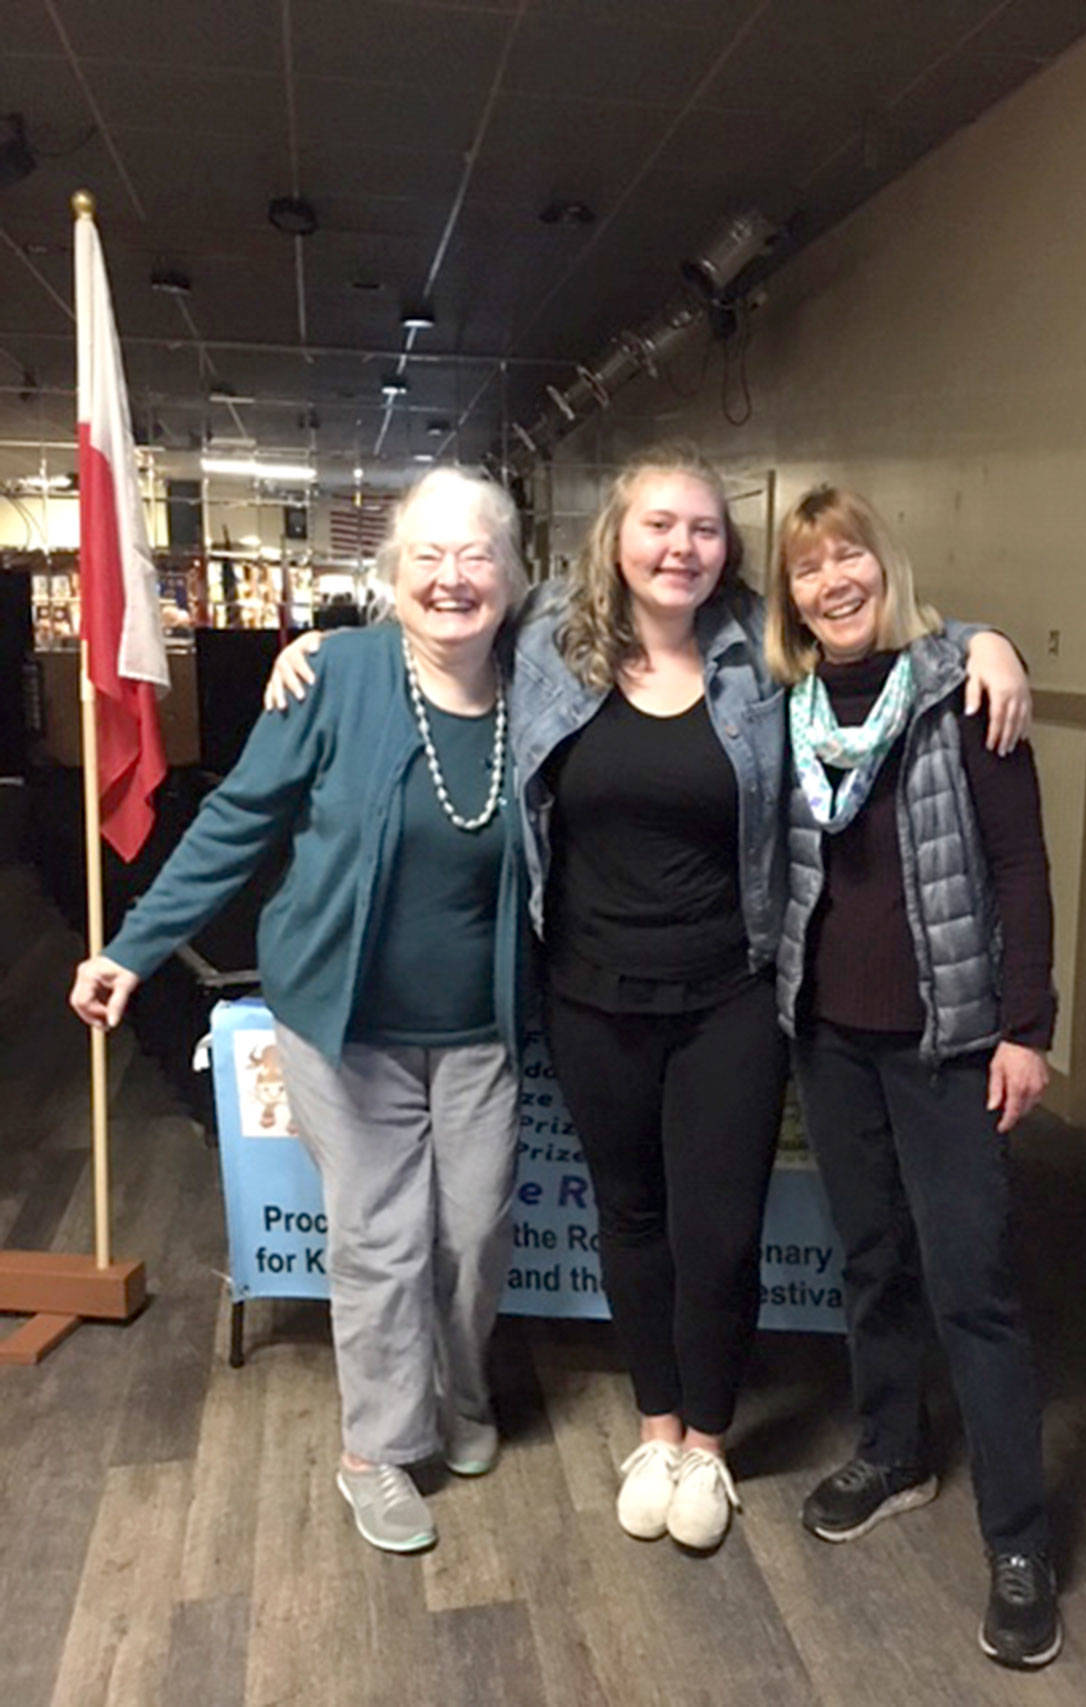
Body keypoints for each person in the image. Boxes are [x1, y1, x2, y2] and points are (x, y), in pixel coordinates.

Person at [265, 443, 1032, 1555]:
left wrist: (986, 641)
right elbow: (440, 624)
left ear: (726, 550)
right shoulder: (545, 647)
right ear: (614, 540)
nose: (679, 547)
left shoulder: (760, 650)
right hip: (587, 995)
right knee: (628, 1219)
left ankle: (709, 1450)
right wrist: (330, 645)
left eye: (703, 529)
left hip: (730, 993)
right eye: (657, 526)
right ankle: (657, 1429)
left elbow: (882, 631)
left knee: (716, 1230)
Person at [70, 467, 529, 1557]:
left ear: (515, 577)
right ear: (390, 574)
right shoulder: (335, 676)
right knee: (377, 1237)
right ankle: (374, 1449)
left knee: (473, 1231)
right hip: (342, 1015)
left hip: (481, 1025)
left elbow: (682, 602)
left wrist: (965, 642)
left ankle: (462, 1391)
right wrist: (133, 947)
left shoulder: (541, 680)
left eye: (476, 556)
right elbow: (236, 821)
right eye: (427, 555)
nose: (451, 578)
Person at [767, 484, 1060, 1666]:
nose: (831, 582)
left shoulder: (959, 690)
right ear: (787, 594)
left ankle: (1021, 1540)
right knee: (869, 1260)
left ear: (882, 565)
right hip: (830, 1037)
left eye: (848, 559)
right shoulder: (782, 705)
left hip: (950, 1042)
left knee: (970, 1285)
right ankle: (893, 1452)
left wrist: (1025, 1028)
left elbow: (1022, 870)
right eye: (805, 569)